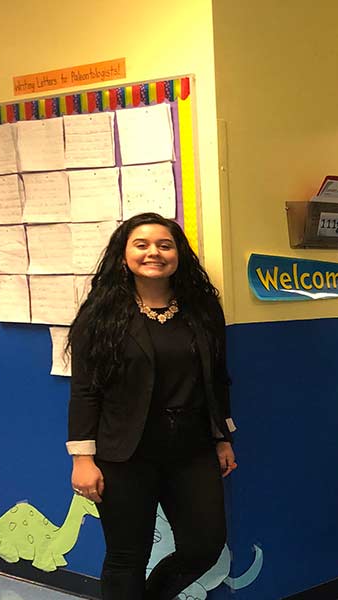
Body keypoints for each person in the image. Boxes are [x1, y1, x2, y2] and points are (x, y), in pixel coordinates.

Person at [66, 212, 237, 600]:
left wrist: (221, 437)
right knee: (127, 555)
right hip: (125, 453)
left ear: (178, 253)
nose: (153, 253)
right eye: (141, 244)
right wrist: (82, 458)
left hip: (191, 450)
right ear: (123, 254)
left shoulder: (202, 309)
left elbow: (217, 379)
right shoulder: (101, 315)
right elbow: (85, 390)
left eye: (164, 244)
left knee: (205, 545)